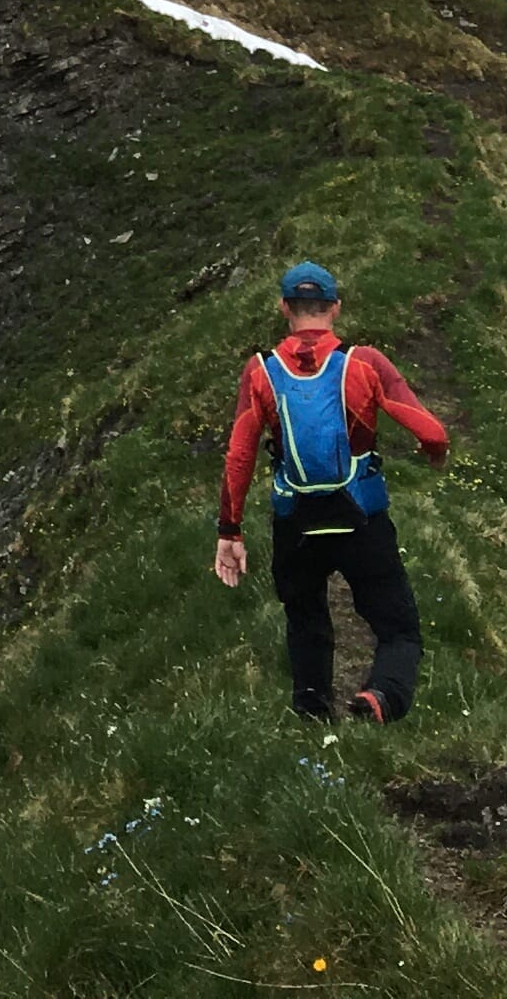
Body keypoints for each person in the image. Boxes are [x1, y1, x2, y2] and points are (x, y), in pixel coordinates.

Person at [209, 260, 450, 723]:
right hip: (362, 516)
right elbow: (432, 431)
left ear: (285, 308)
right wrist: (433, 451)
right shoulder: (364, 363)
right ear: (335, 307)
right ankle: (381, 697)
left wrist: (230, 531)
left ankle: (312, 714)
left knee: (305, 621)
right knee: (399, 629)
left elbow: (239, 455)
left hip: (295, 521)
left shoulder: (261, 372)